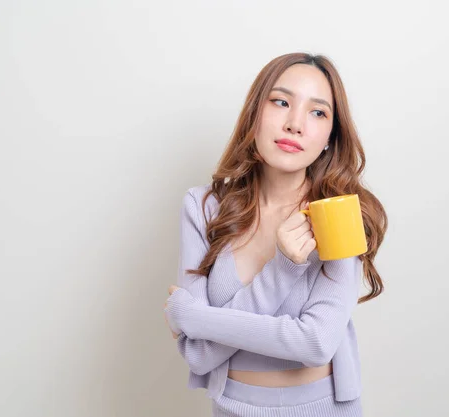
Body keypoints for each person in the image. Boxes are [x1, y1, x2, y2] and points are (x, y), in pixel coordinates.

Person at [164, 52, 387, 417]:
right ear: (255, 114)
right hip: (230, 407)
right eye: (281, 102)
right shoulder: (204, 206)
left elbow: (316, 343)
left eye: (318, 112)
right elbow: (199, 355)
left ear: (331, 135)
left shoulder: (336, 214)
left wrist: (192, 318)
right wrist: (196, 328)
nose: (295, 124)